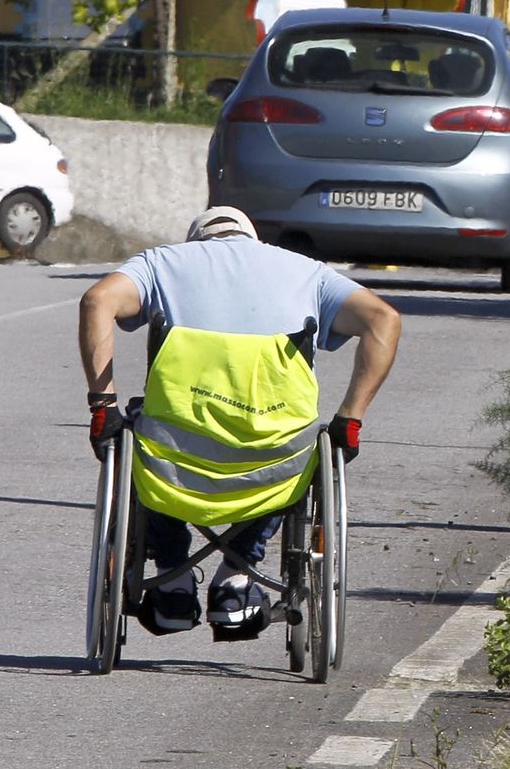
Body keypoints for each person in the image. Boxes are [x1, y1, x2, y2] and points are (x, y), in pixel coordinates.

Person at [77, 206, 402, 640]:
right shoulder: (307, 273)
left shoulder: (162, 263)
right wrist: (350, 418)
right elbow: (384, 319)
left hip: (177, 455)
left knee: (138, 429)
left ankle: (172, 575)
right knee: (301, 443)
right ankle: (238, 574)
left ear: (196, 242)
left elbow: (97, 300)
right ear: (253, 240)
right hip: (274, 457)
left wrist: (104, 406)